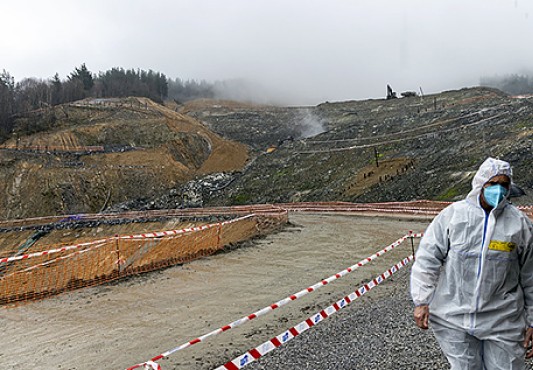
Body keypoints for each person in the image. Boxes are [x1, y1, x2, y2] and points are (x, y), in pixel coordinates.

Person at [410, 157, 533, 369]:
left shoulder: (519, 224)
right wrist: (421, 300)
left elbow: (531, 275)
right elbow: (428, 257)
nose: (499, 189)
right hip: (454, 316)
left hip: (503, 318)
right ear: (480, 184)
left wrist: (532, 320)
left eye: (504, 184)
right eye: (492, 184)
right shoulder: (453, 216)